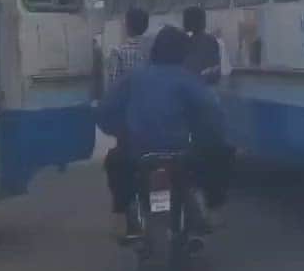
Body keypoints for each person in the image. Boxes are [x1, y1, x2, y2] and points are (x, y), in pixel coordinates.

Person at [97, 25, 230, 238]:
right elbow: (212, 113)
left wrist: (120, 133)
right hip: (180, 152)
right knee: (220, 154)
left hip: (137, 153)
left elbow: (105, 110)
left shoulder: (133, 77)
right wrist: (211, 136)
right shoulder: (187, 79)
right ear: (182, 53)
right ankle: (212, 208)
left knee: (114, 163)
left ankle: (120, 216)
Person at [105, 8, 150, 88]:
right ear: (146, 26)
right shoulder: (153, 51)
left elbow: (113, 86)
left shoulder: (118, 52)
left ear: (128, 26)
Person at [182, 6, 225, 86]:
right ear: (203, 21)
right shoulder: (211, 40)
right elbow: (216, 71)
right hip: (205, 88)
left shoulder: (181, 40)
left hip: (186, 88)